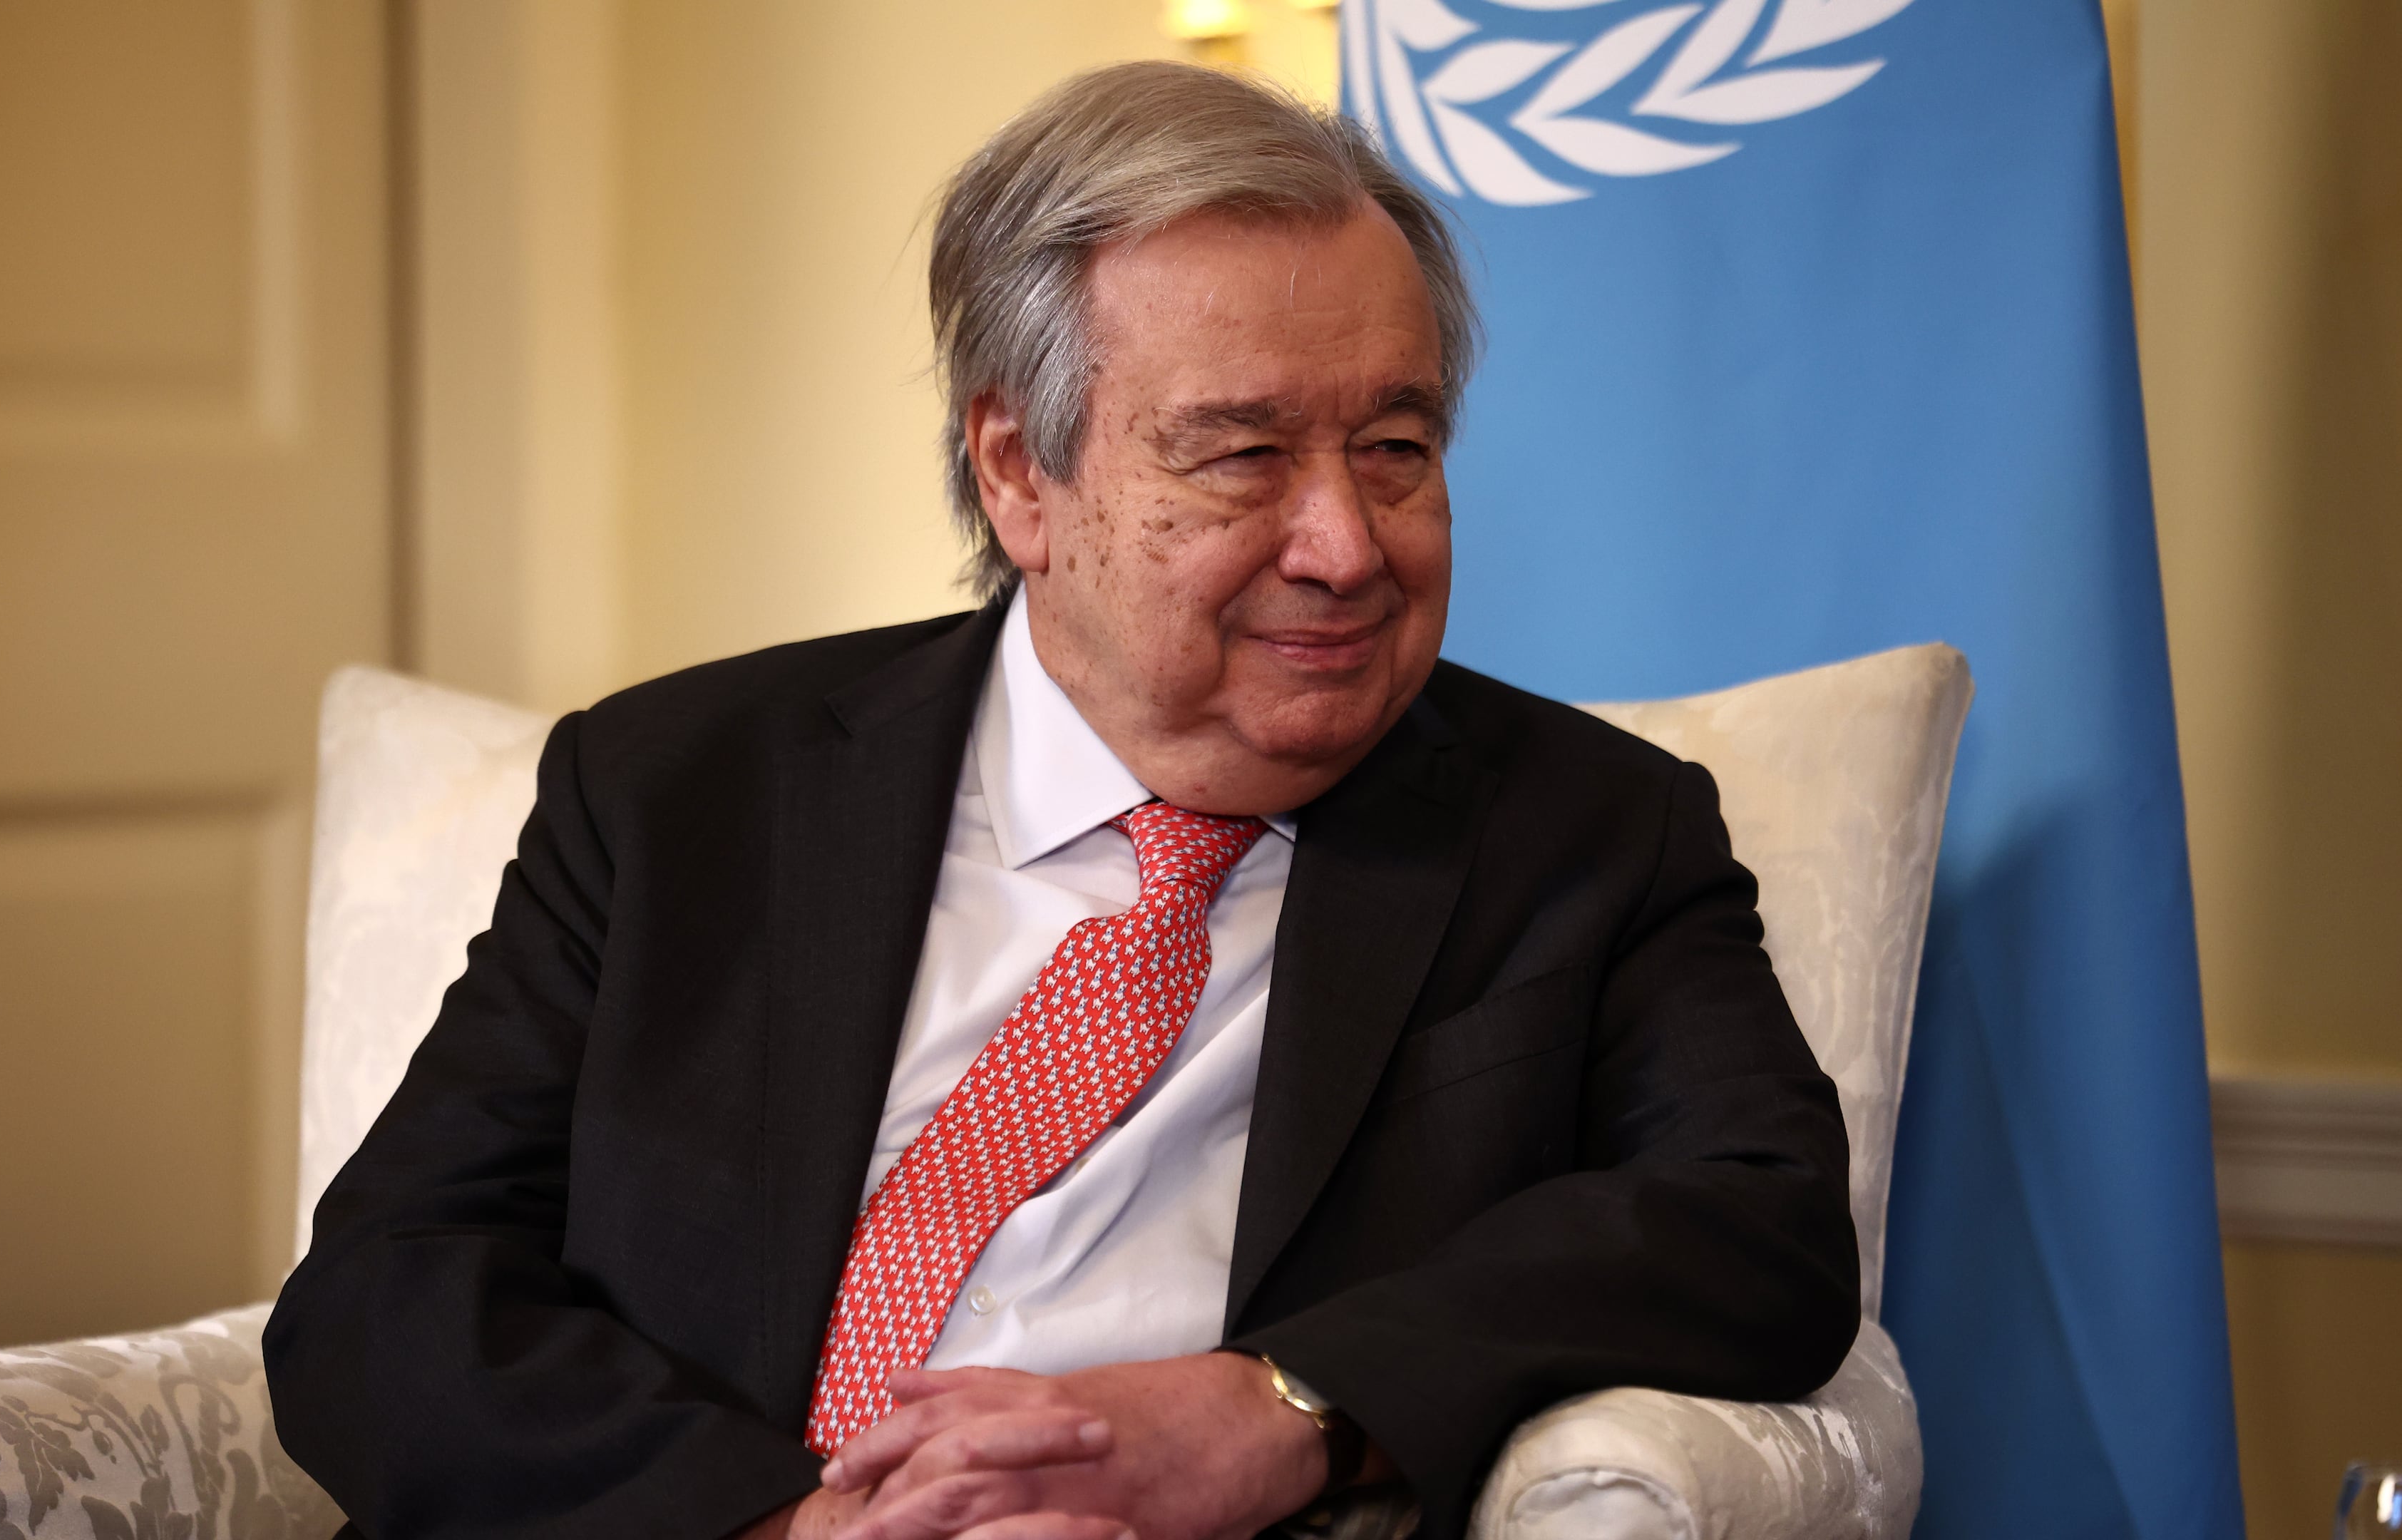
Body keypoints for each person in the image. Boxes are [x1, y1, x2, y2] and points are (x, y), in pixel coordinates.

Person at [265, 60, 1857, 1540]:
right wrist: (790, 1522)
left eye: (1394, 445)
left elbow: (1761, 1228)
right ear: (1019, 470)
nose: (1348, 545)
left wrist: (1289, 1404)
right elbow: (387, 1290)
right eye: (1241, 457)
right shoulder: (676, 789)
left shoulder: (1589, 834)